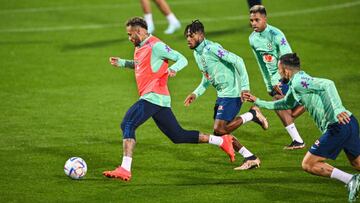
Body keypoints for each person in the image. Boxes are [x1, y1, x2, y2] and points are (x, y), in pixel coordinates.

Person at [103, 17, 236, 182]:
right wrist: (122, 63)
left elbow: (182, 58)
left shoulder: (156, 45)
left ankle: (125, 168)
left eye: (131, 34)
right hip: (158, 99)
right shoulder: (140, 46)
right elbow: (140, 64)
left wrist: (173, 69)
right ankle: (221, 140)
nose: (129, 38)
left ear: (139, 31)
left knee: (128, 123)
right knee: (177, 136)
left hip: (153, 95)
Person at [244, 53, 360, 202]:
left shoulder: (299, 81)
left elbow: (328, 84)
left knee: (309, 164)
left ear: (286, 70)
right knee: (357, 163)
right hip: (349, 121)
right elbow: (284, 104)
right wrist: (258, 101)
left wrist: (337, 109)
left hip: (337, 126)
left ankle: (350, 180)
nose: (279, 73)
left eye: (279, 70)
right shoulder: (296, 83)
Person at [183, 20, 269, 170]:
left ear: (200, 35)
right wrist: (195, 93)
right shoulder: (197, 54)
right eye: (186, 37)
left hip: (233, 93)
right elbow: (207, 77)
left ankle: (252, 115)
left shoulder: (212, 48)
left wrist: (245, 88)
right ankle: (250, 157)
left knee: (220, 129)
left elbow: (239, 61)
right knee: (220, 132)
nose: (188, 40)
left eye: (191, 36)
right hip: (222, 94)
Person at [248, 5, 306, 150]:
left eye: (257, 20)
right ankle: (307, 101)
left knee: (280, 105)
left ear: (265, 19)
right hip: (273, 81)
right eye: (251, 20)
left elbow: (287, 59)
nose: (254, 23)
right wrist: (268, 84)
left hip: (285, 77)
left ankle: (298, 139)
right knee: (287, 110)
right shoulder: (252, 39)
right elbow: (261, 63)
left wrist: (282, 80)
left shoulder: (276, 34)